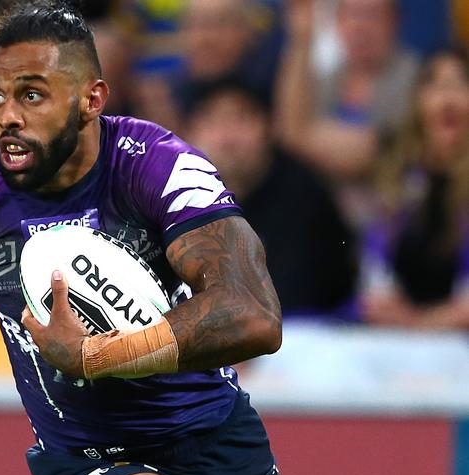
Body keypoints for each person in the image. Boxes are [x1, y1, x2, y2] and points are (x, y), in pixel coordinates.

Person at [0, 1, 283, 475]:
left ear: (92, 99)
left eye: (31, 96)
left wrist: (96, 356)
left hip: (215, 441)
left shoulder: (158, 167)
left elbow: (254, 316)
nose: (8, 117)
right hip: (81, 460)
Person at [186, 79, 356, 317]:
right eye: (212, 121)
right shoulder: (175, 197)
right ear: (189, 134)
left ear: (269, 129)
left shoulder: (302, 196)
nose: (227, 137)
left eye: (242, 119)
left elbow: (294, 299)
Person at [276, 0, 419, 227]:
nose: (360, 26)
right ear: (338, 23)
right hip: (326, 225)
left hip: (395, 223)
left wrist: (301, 135)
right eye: (351, 15)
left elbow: (367, 153)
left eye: (372, 15)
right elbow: (287, 132)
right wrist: (302, 39)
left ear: (395, 22)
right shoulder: (328, 81)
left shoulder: (416, 81)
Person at [359, 49, 469, 330]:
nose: (448, 98)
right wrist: (389, 309)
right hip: (397, 336)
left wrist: (419, 324)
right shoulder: (397, 174)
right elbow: (374, 277)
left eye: (460, 84)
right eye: (435, 85)